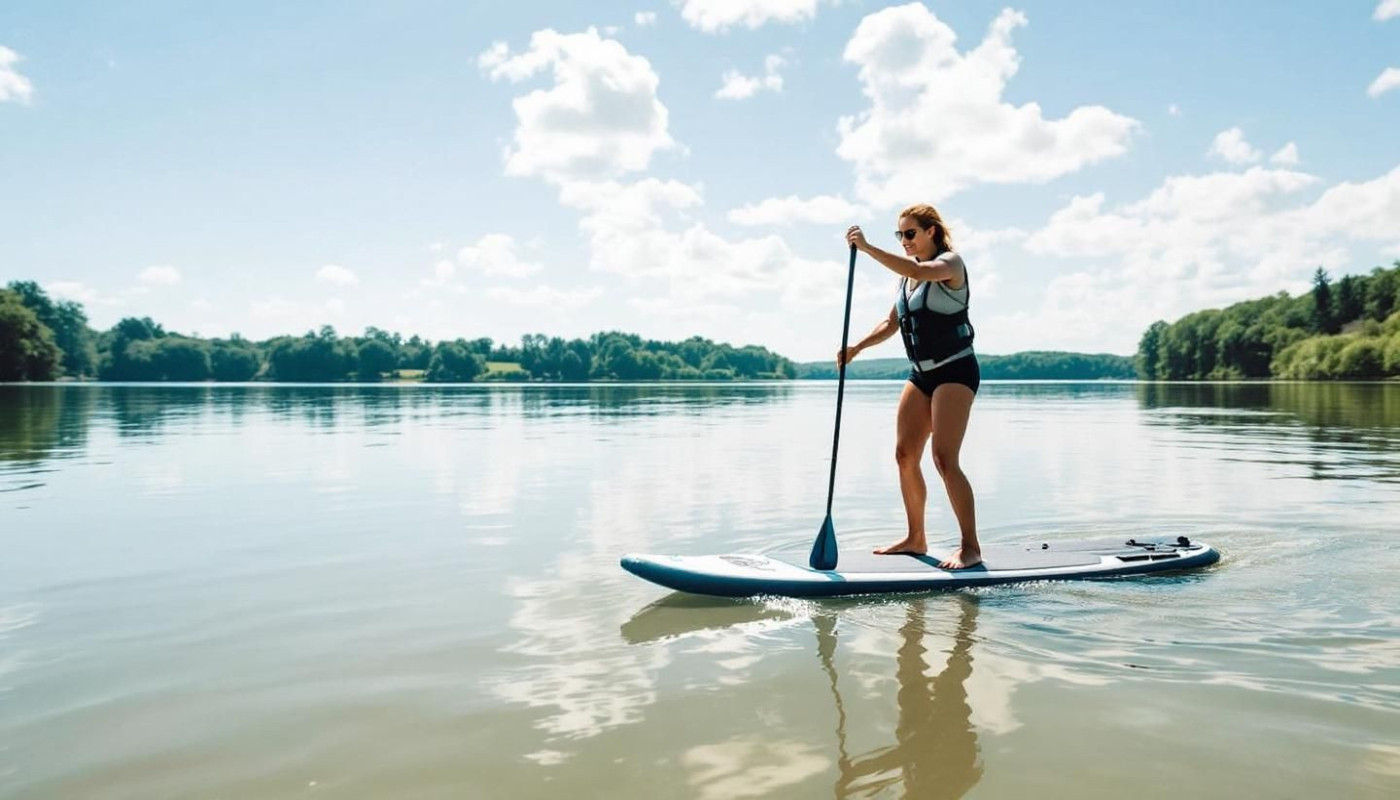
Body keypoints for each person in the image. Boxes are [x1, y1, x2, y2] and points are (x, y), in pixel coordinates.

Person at [841, 204, 982, 569]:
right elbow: (890, 324)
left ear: (930, 232)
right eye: (899, 235)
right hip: (921, 374)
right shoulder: (905, 281)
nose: (904, 241)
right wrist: (856, 347)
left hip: (956, 371)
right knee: (905, 455)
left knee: (944, 459)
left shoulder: (950, 265)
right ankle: (916, 537)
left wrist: (868, 248)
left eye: (909, 234)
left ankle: (970, 548)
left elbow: (918, 268)